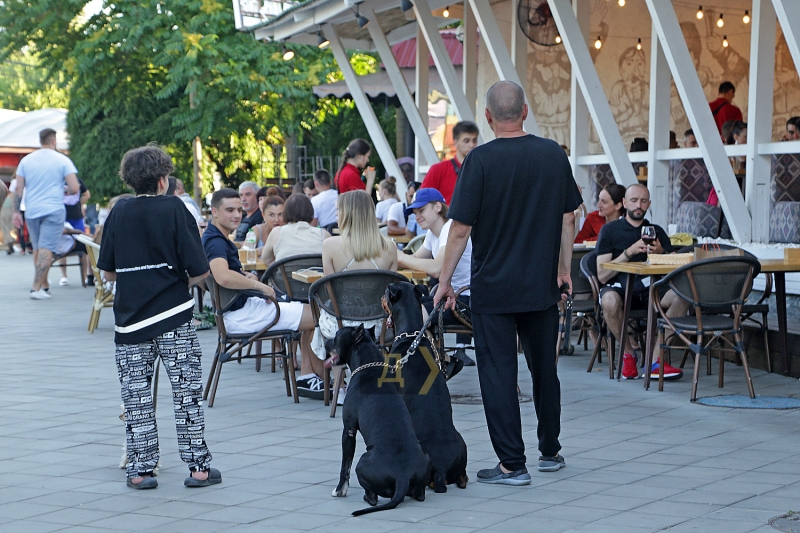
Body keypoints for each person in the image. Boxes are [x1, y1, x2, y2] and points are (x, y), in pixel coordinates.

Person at [434, 81, 582, 483]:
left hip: (493, 287)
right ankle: (550, 451)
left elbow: (460, 229)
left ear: (487, 117)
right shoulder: (553, 154)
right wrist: (564, 269)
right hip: (540, 285)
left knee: (498, 373)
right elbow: (570, 216)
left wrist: (445, 282)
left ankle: (512, 464)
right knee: (543, 371)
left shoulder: (478, 162)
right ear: (526, 111)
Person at [97, 144, 220, 490]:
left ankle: (140, 470)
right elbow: (198, 271)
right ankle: (198, 468)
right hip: (174, 318)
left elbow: (107, 273)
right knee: (186, 394)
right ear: (164, 180)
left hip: (131, 321)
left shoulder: (118, 213)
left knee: (136, 398)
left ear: (130, 180)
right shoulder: (176, 209)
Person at [202, 189, 321, 398]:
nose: (237, 215)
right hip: (241, 315)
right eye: (230, 210)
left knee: (312, 313)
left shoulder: (216, 237)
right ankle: (319, 380)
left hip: (240, 310)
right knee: (318, 315)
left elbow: (224, 275)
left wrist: (245, 276)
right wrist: (261, 287)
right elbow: (221, 276)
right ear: (214, 212)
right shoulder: (215, 241)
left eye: (239, 210)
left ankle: (309, 376)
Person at [595, 183, 689, 381]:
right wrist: (628, 253)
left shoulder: (656, 231)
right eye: (634, 200)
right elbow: (602, 275)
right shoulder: (610, 231)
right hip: (620, 288)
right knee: (609, 302)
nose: (639, 205)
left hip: (652, 290)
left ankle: (656, 360)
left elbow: (676, 267)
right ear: (624, 203)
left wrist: (662, 253)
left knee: (682, 295)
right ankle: (628, 353)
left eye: (643, 201)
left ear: (649, 204)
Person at [313, 191, 398, 375]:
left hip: (340, 325)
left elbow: (330, 293)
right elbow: (390, 292)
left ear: (348, 213)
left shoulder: (330, 245)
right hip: (377, 327)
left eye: (338, 210)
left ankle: (341, 387)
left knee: (326, 313)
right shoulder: (390, 247)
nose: (335, 214)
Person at [398, 188, 475, 367]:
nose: (417, 216)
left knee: (409, 313)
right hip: (452, 298)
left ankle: (436, 365)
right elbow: (415, 259)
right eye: (415, 212)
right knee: (407, 309)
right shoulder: (434, 233)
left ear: (438, 206)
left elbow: (436, 269)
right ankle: (436, 363)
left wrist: (399, 257)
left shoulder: (449, 229)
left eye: (421, 210)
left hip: (467, 302)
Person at [12, 128, 80, 299]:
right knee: (47, 248)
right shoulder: (62, 160)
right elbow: (74, 188)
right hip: (53, 209)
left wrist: (16, 212)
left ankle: (44, 286)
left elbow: (18, 189)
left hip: (32, 210)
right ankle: (35, 289)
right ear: (54, 141)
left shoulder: (26, 161)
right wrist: (63, 190)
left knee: (37, 248)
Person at [261, 193, 330, 265]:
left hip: (284, 276)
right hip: (318, 276)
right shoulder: (324, 235)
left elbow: (267, 260)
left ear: (285, 212)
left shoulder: (276, 232)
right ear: (311, 212)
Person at [420, 121, 479, 204]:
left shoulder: (481, 170)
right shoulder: (438, 169)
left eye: (474, 140)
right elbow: (423, 200)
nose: (472, 145)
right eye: (466, 141)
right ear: (455, 143)